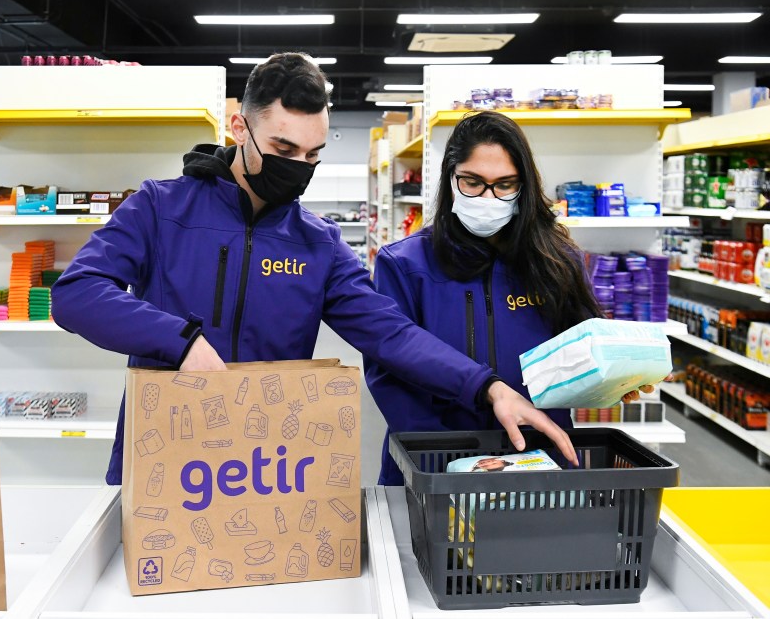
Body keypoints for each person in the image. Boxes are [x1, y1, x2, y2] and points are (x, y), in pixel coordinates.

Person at [51, 53, 578, 486]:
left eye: (312, 154)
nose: (298, 165)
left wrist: (487, 387)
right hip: (164, 442)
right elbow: (76, 293)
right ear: (240, 128)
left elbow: (391, 335)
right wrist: (181, 341)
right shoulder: (161, 209)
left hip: (265, 462)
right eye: (283, 148)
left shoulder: (318, 244)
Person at [365, 110, 652, 486]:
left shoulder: (556, 259)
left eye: (505, 184)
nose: (488, 197)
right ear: (450, 179)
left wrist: (613, 377)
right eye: (472, 182)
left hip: (536, 463)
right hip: (431, 468)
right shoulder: (405, 264)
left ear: (524, 187)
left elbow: (578, 349)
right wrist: (447, 464)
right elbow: (390, 372)